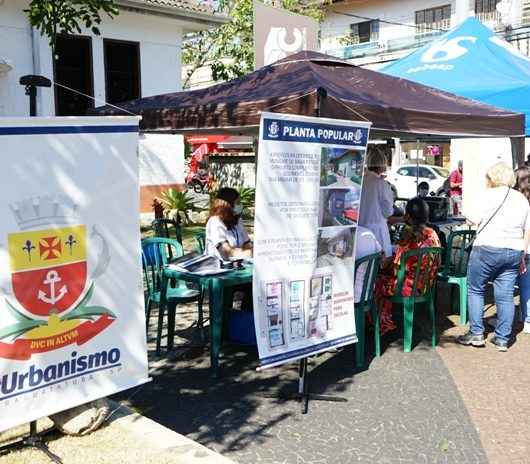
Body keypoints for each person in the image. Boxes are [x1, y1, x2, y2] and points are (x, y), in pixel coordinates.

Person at [458, 162, 530, 351]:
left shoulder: (486, 196)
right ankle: (502, 339)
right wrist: (522, 252)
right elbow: (527, 229)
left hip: (486, 248)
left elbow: (471, 218)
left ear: (493, 178)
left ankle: (476, 333)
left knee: (475, 289)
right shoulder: (521, 199)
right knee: (506, 295)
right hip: (514, 250)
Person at [374, 198, 441, 334]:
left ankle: (382, 323)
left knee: (377, 282)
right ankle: (385, 320)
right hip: (427, 284)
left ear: (408, 216)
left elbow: (398, 268)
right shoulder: (433, 233)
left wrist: (384, 262)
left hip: (409, 288)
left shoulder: (409, 235)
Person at [359, 146, 394, 257]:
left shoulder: (360, 182)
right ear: (381, 166)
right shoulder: (382, 184)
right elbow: (388, 212)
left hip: (360, 231)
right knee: (379, 266)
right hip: (378, 233)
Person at [205, 187, 252, 260]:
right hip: (219, 266)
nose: (240, 205)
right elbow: (226, 251)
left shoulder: (238, 221)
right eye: (238, 203)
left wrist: (250, 250)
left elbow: (247, 243)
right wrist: (248, 253)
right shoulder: (215, 222)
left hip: (238, 263)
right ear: (227, 205)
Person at [515, 166, 530, 333]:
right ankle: (527, 319)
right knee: (527, 285)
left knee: (506, 284)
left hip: (520, 247)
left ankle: (525, 318)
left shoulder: (517, 200)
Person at [354, 226, 382, 303]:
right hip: (368, 293)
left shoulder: (350, 235)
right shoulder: (369, 233)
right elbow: (381, 254)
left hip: (353, 296)